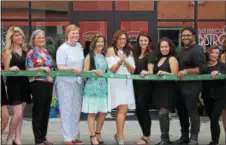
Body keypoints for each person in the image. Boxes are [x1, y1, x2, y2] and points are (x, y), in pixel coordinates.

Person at [173, 27, 206, 145]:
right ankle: (184, 136)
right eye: (183, 35)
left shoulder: (197, 49)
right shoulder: (182, 50)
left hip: (192, 87)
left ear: (193, 36)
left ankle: (194, 138)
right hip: (180, 87)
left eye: (188, 35)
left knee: (193, 112)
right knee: (182, 112)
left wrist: (186, 71)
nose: (185, 37)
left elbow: (202, 68)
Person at [56, 24, 84, 145]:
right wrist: (73, 68)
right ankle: (67, 138)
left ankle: (74, 135)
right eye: (73, 33)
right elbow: (60, 67)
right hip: (65, 82)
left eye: (77, 33)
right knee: (66, 109)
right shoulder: (62, 48)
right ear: (67, 34)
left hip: (78, 82)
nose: (75, 35)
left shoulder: (79, 46)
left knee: (76, 110)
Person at [106, 30, 135, 145]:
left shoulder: (129, 51)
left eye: (124, 39)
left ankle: (119, 135)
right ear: (116, 40)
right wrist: (119, 61)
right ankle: (120, 136)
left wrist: (126, 61)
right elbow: (112, 69)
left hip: (126, 83)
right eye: (120, 39)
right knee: (121, 109)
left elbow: (132, 70)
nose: (122, 41)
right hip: (115, 83)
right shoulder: (110, 50)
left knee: (123, 109)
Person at [2, 26, 31, 145]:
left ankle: (17, 138)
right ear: (12, 38)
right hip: (13, 85)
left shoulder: (26, 51)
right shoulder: (8, 52)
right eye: (16, 35)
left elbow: (29, 68)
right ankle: (10, 136)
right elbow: (4, 71)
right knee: (17, 113)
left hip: (25, 84)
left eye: (20, 35)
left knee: (21, 115)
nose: (19, 37)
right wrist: (10, 68)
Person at [26, 29, 53, 145]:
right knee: (38, 111)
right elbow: (28, 70)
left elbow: (50, 66)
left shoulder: (46, 52)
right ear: (34, 40)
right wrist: (41, 68)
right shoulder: (31, 53)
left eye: (43, 37)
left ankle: (43, 137)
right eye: (39, 38)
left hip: (48, 83)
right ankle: (38, 139)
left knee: (46, 111)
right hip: (37, 83)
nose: (42, 39)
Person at [82, 35, 108, 145]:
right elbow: (84, 72)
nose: (100, 44)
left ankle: (98, 133)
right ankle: (92, 136)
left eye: (102, 42)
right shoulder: (90, 56)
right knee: (92, 113)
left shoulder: (104, 56)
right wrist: (94, 71)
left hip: (103, 88)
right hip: (92, 88)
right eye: (98, 42)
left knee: (102, 112)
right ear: (94, 43)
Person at [153, 38, 178, 145]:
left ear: (170, 47)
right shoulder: (158, 59)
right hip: (158, 90)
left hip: (168, 90)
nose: (164, 49)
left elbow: (176, 75)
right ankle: (164, 138)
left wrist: (165, 73)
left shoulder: (172, 59)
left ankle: (165, 139)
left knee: (163, 113)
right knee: (161, 114)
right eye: (162, 47)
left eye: (166, 46)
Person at [202, 45, 225, 145]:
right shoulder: (204, 66)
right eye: (213, 52)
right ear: (208, 53)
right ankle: (214, 140)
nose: (215, 55)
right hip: (207, 96)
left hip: (220, 96)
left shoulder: (222, 65)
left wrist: (218, 72)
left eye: (217, 53)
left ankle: (215, 141)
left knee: (215, 117)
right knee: (212, 119)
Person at [133, 32, 153, 145]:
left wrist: (146, 71)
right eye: (141, 40)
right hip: (135, 85)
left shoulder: (149, 54)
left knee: (144, 111)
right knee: (138, 111)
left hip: (145, 87)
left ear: (149, 42)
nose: (143, 42)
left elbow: (150, 71)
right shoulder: (137, 54)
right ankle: (144, 135)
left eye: (145, 40)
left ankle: (146, 137)